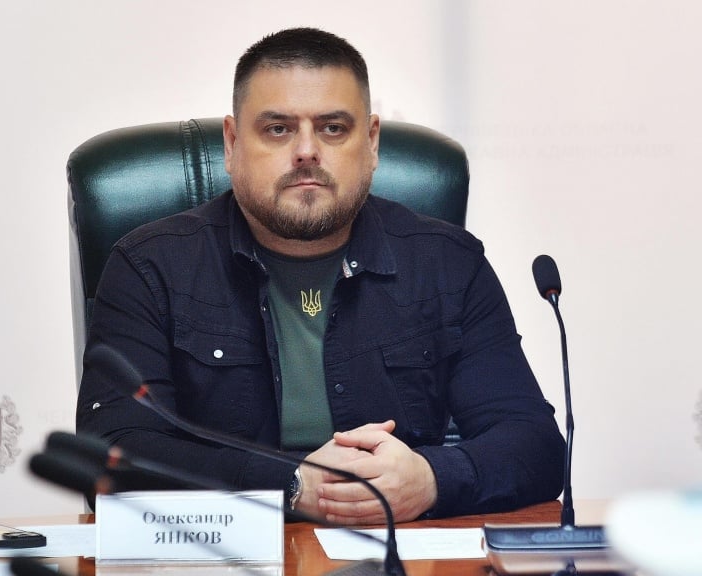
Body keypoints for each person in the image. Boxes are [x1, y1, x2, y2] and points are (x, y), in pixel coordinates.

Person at [76, 27, 565, 525]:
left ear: (371, 142)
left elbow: (536, 445)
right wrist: (291, 484)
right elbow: (108, 456)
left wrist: (430, 479)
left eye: (333, 128)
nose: (307, 151)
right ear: (232, 143)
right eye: (278, 129)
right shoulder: (149, 267)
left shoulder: (449, 263)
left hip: (400, 549)